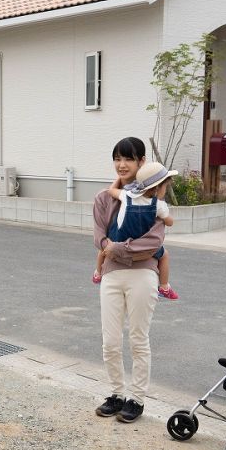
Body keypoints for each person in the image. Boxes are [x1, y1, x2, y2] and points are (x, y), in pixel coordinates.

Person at [92, 137, 167, 424]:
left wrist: (115, 249)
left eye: (129, 159)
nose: (122, 164)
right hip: (112, 274)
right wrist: (114, 249)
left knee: (138, 338)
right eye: (118, 158)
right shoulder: (103, 197)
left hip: (144, 273)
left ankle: (137, 399)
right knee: (110, 340)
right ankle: (116, 394)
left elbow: (154, 241)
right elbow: (98, 235)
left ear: (141, 162)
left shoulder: (153, 199)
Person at [93, 160, 179, 299]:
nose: (166, 190)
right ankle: (164, 286)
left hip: (117, 239)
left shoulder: (126, 196)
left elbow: (111, 190)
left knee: (103, 249)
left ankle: (98, 273)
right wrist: (167, 217)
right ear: (157, 188)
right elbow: (169, 222)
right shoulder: (158, 205)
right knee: (164, 255)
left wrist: (119, 179)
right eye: (165, 187)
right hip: (139, 243)